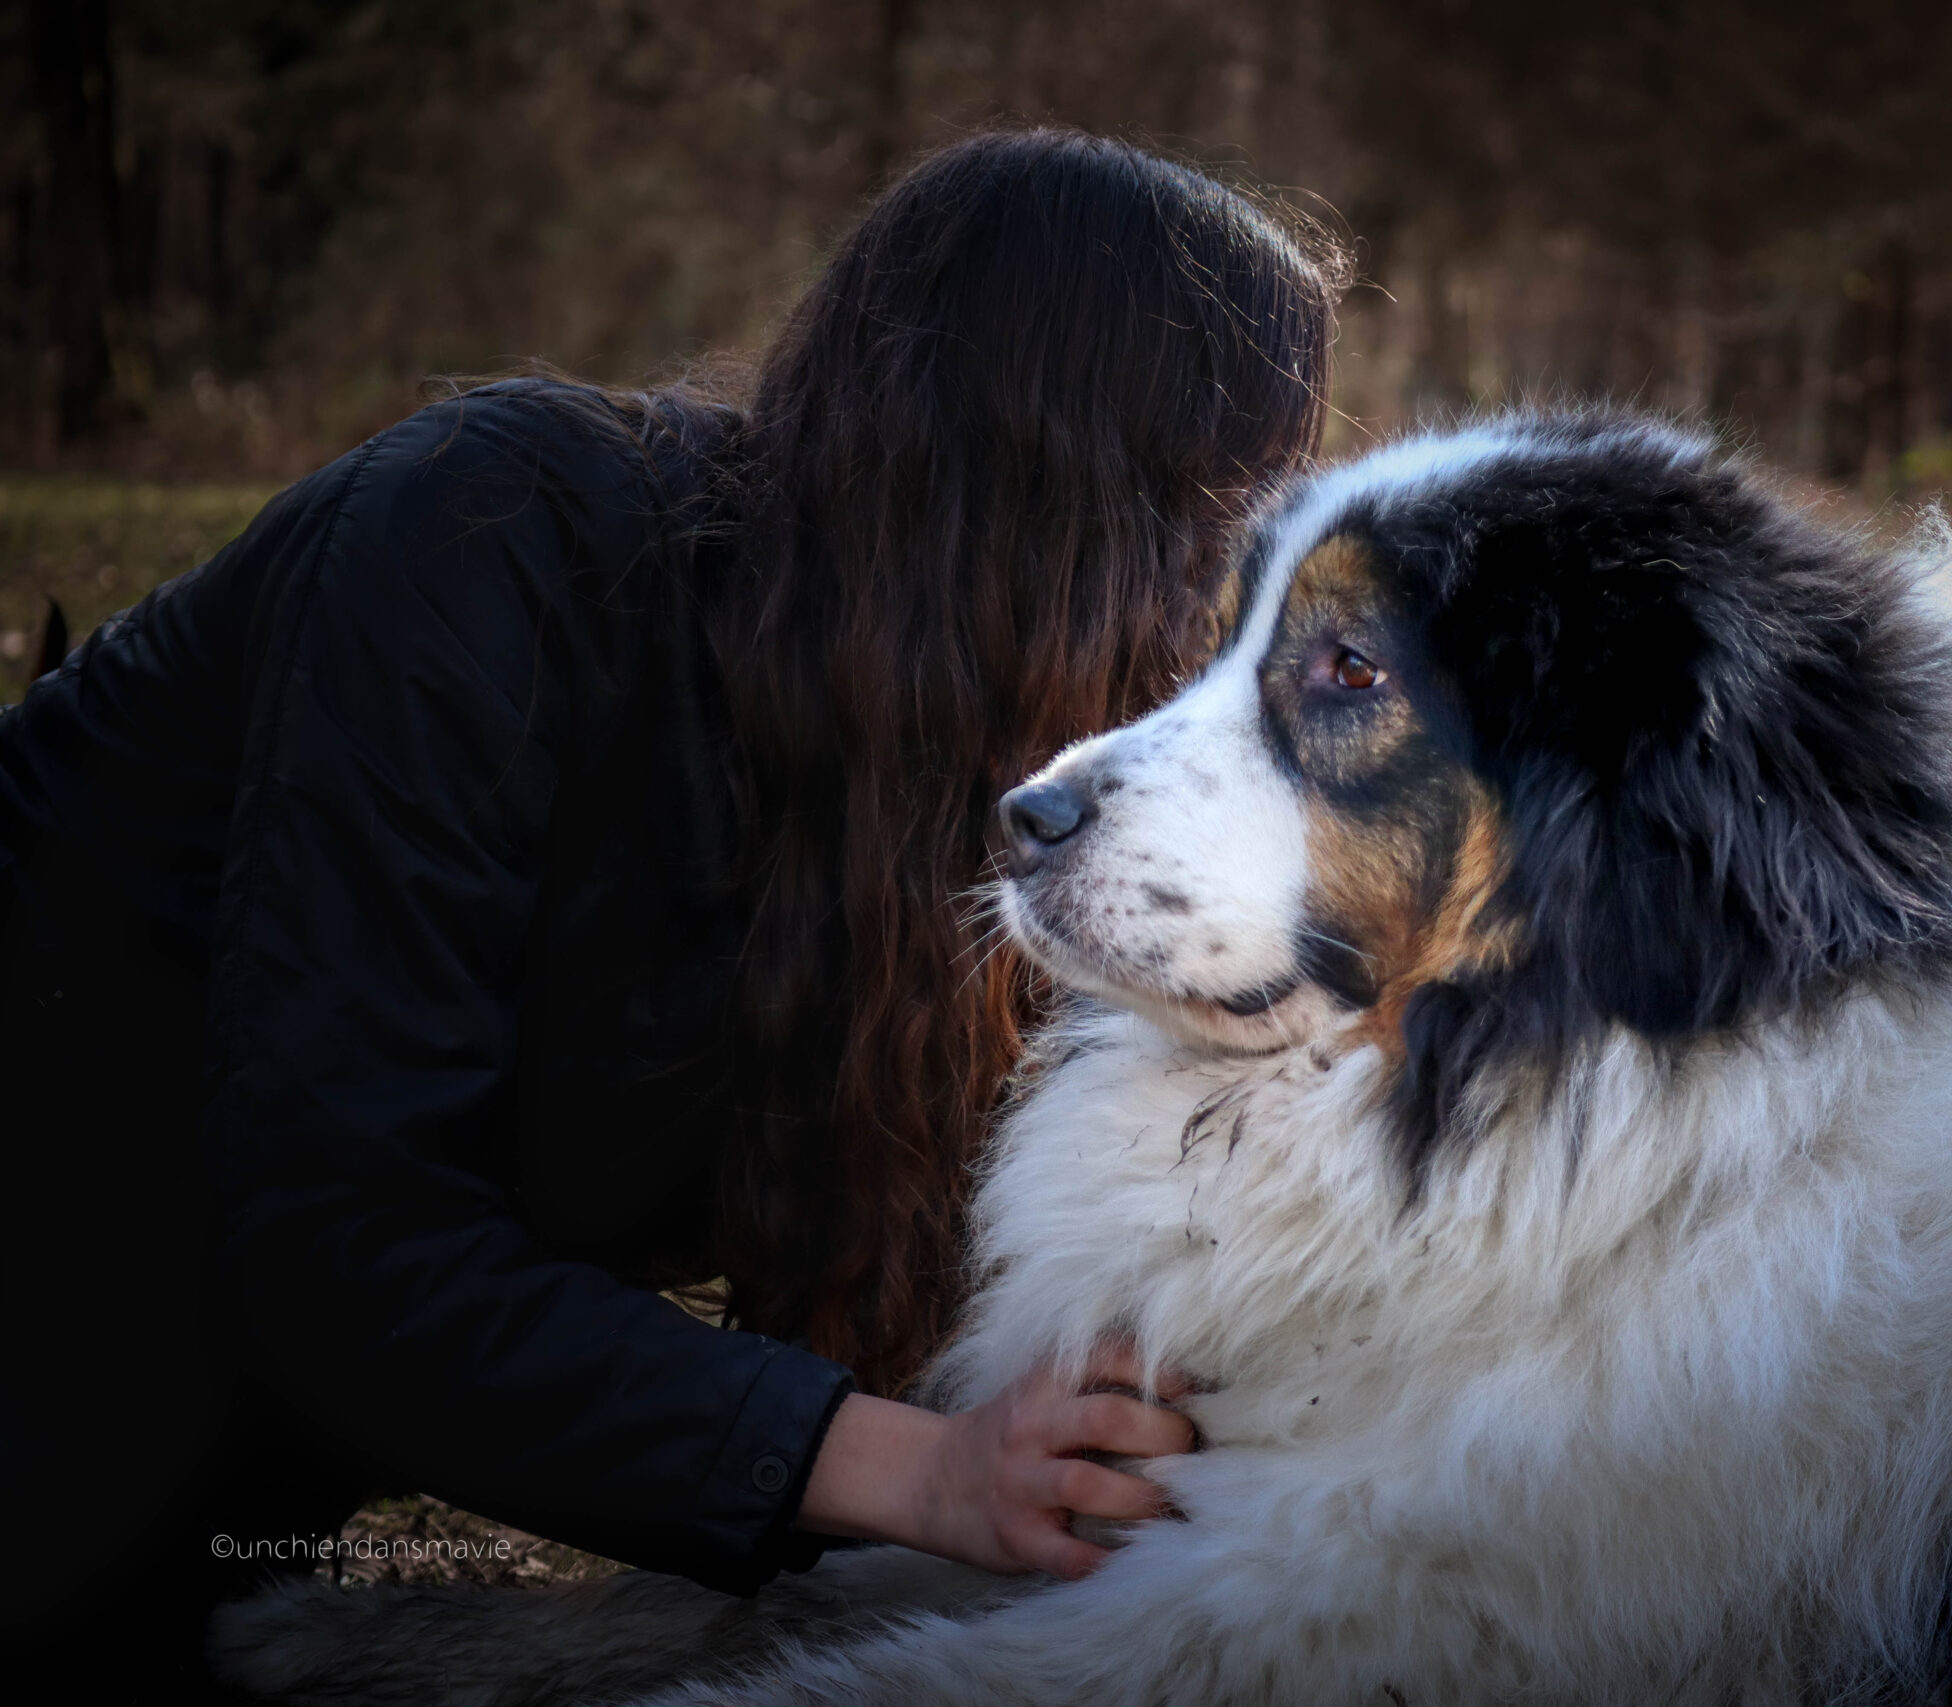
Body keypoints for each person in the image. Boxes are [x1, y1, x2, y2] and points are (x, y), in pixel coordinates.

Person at [0, 128, 1346, 1695]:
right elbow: (337, 1234)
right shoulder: (491, 537)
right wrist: (921, 1474)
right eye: (1232, 518)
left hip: (257, 1437)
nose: (1232, 612)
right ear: (1071, 488)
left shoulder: (974, 772)